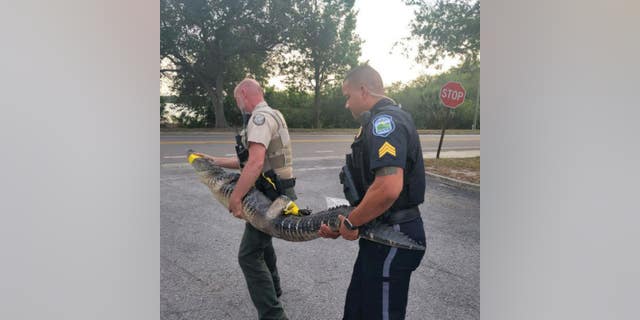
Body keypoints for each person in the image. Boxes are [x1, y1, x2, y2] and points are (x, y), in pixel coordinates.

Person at [318, 65, 427, 320]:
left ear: (363, 90)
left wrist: (352, 222)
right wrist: (346, 226)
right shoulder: (381, 120)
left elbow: (388, 187)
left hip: (393, 236)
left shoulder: (385, 122)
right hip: (378, 232)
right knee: (357, 311)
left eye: (348, 96)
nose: (346, 104)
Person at [194, 78, 296, 320]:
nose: (237, 103)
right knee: (262, 240)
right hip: (275, 194)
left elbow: (255, 162)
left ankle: (273, 316)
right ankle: (275, 288)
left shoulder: (259, 119)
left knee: (248, 256)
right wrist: (216, 161)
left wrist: (236, 198)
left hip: (273, 198)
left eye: (236, 98)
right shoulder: (273, 114)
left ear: (244, 93)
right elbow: (249, 160)